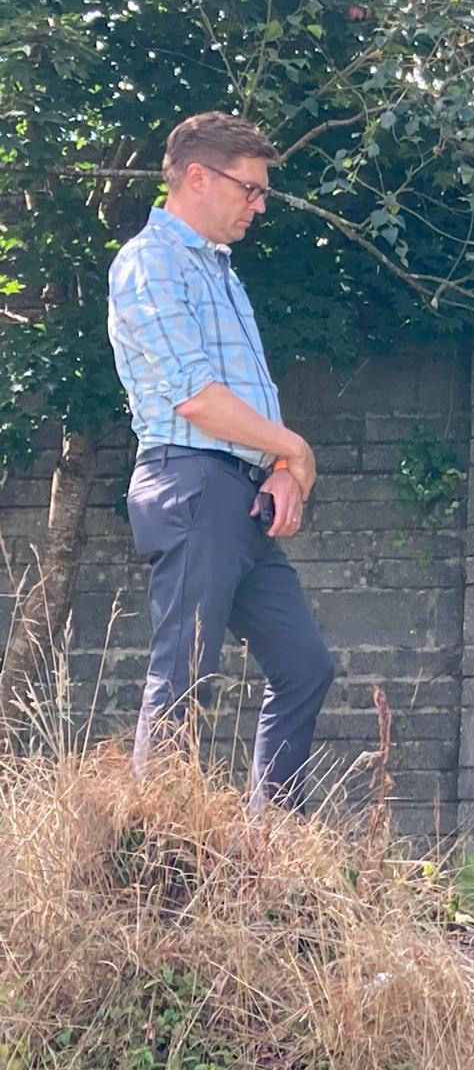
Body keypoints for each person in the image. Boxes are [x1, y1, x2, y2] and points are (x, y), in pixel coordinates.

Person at [107, 111, 334, 810]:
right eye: (251, 189)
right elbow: (192, 397)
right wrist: (292, 448)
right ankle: (153, 856)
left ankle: (271, 844)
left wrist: (277, 470)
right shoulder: (150, 262)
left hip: (239, 491)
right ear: (198, 177)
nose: (259, 205)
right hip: (191, 481)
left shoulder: (223, 275)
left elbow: (241, 401)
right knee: (186, 668)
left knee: (304, 665)